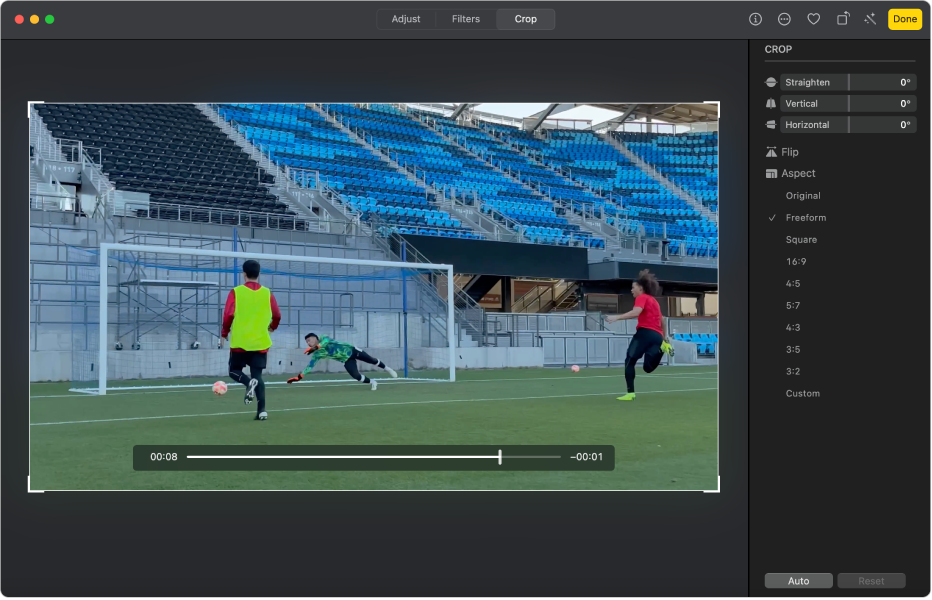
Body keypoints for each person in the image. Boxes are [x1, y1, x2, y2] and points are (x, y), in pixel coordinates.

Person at [220, 259, 281, 420]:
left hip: (241, 341)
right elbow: (277, 314)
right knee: (257, 376)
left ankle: (248, 384)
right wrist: (272, 327)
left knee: (234, 371)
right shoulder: (267, 293)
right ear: (259, 274)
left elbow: (228, 315)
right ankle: (262, 411)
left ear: (244, 274)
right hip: (260, 342)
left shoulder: (236, 292)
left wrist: (224, 334)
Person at [605, 269, 674, 401]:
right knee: (647, 368)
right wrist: (664, 338)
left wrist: (617, 317)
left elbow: (636, 312)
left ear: (641, 288)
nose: (631, 290)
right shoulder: (654, 301)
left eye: (633, 288)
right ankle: (662, 349)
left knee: (629, 360)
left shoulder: (641, 298)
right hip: (657, 337)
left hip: (644, 333)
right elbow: (662, 320)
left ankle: (630, 393)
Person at [287, 333, 398, 390]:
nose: (308, 343)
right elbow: (310, 365)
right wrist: (300, 376)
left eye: (309, 340)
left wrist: (315, 347)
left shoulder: (322, 338)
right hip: (346, 359)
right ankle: (373, 382)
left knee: (372, 360)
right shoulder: (317, 354)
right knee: (357, 376)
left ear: (315, 337)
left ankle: (388, 369)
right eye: (307, 342)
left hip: (352, 350)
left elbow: (326, 341)